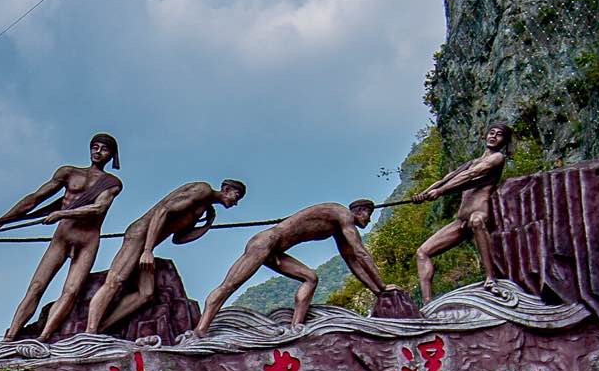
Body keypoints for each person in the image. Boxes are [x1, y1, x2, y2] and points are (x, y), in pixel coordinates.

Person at [0, 132, 125, 342]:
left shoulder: (112, 182)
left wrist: (62, 213)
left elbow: (99, 208)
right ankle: (10, 336)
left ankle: (43, 338)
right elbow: (35, 198)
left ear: (112, 155)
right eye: (95, 147)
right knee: (36, 286)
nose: (98, 152)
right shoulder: (69, 173)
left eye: (104, 149)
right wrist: (5, 219)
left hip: (87, 240)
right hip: (63, 236)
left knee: (70, 291)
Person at [195, 198, 389, 333]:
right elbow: (361, 253)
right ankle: (200, 331)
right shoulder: (342, 214)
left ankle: (296, 327)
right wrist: (383, 286)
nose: (368, 220)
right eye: (368, 215)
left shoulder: (339, 227)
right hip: (265, 242)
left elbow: (353, 261)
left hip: (275, 251)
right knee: (229, 285)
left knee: (311, 278)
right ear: (360, 211)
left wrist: (378, 291)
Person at [84, 176, 246, 333]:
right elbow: (162, 211)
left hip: (148, 244)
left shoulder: (203, 208)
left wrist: (207, 225)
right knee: (115, 281)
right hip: (140, 236)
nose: (235, 202)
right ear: (226, 189)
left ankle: (102, 329)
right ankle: (89, 332)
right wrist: (147, 250)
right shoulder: (202, 190)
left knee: (146, 294)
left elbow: (179, 238)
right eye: (236, 196)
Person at [413, 120, 515, 302]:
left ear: (504, 141)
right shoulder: (471, 162)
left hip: (480, 214)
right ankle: (427, 303)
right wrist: (423, 194)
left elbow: (472, 175)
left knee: (477, 221)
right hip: (461, 221)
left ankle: (491, 278)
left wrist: (440, 192)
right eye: (492, 132)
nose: (494, 136)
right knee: (423, 252)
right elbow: (446, 179)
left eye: (499, 134)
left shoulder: (497, 158)